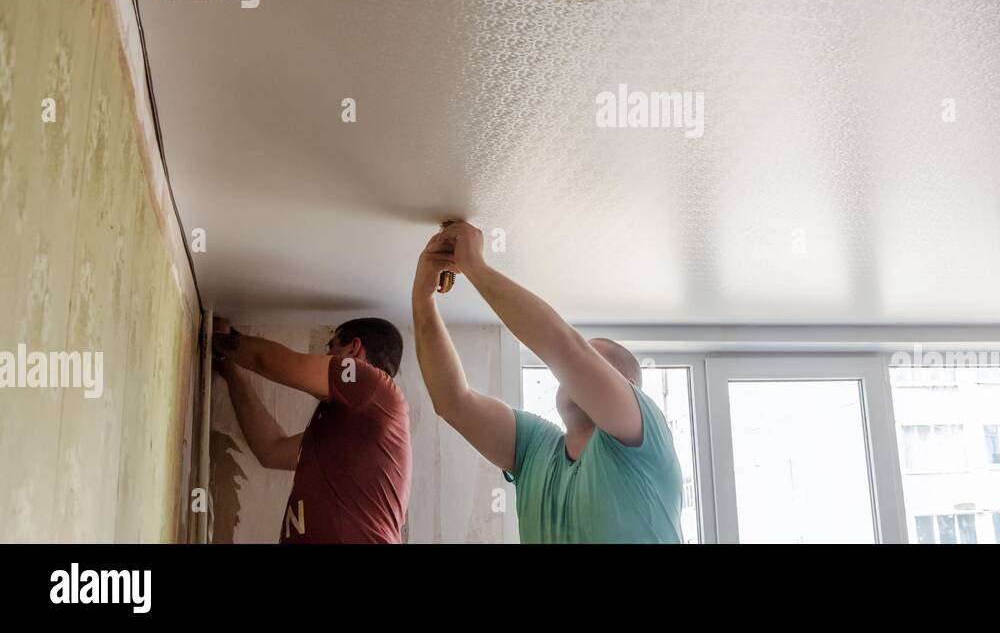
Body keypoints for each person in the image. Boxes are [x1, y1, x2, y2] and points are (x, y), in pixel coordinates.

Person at [412, 221, 682, 543]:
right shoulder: (534, 447)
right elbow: (453, 401)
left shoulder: (642, 436)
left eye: (594, 362)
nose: (573, 372)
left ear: (627, 386)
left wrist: (475, 268)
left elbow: (564, 347)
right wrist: (423, 296)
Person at [212, 316, 411, 543]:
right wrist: (230, 368)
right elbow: (271, 450)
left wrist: (219, 339)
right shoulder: (353, 435)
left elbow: (266, 361)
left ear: (353, 350)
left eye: (331, 348)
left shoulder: (370, 382)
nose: (325, 359)